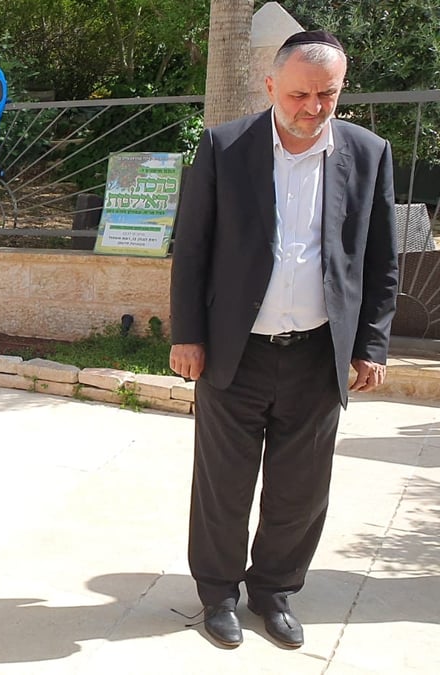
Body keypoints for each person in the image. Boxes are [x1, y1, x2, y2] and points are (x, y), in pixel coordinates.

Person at [170, 30, 398, 650]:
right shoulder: (225, 147)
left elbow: (380, 259)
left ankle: (274, 593)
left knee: (300, 489)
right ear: (271, 86)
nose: (312, 108)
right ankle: (218, 594)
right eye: (299, 94)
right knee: (223, 484)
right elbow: (190, 249)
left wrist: (371, 344)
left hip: (316, 354)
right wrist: (187, 334)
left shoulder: (368, 152)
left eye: (327, 94)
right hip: (233, 352)